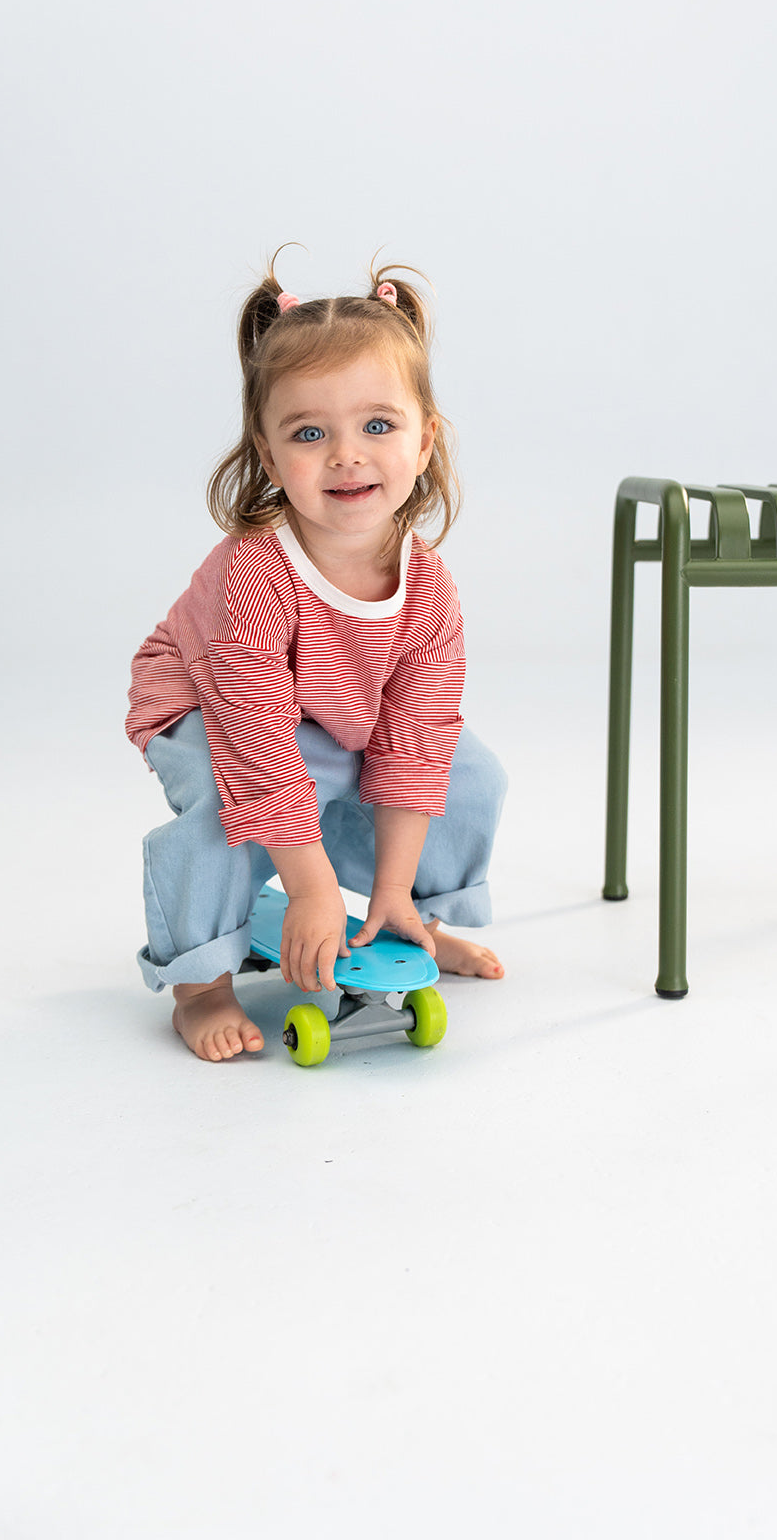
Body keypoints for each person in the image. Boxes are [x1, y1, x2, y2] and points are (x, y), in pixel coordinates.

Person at [126, 255, 506, 1061]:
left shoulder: (428, 587)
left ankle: (409, 925)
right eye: (309, 433)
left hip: (334, 709)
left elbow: (417, 736)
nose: (346, 455)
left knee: (469, 773)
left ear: (424, 437)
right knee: (232, 816)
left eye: (378, 425)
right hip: (207, 706)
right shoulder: (254, 572)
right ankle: (200, 986)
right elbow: (257, 743)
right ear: (268, 458)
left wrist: (391, 886)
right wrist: (308, 886)